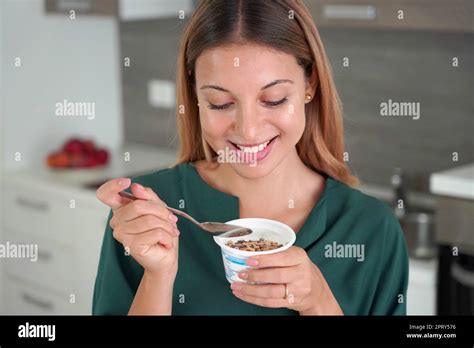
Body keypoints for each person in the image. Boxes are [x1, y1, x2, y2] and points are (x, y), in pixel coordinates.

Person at [93, 0, 408, 315]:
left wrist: (319, 303)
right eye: (220, 102)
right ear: (196, 97)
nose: (248, 130)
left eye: (273, 99)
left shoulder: (372, 230)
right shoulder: (146, 212)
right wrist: (158, 277)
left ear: (309, 84)